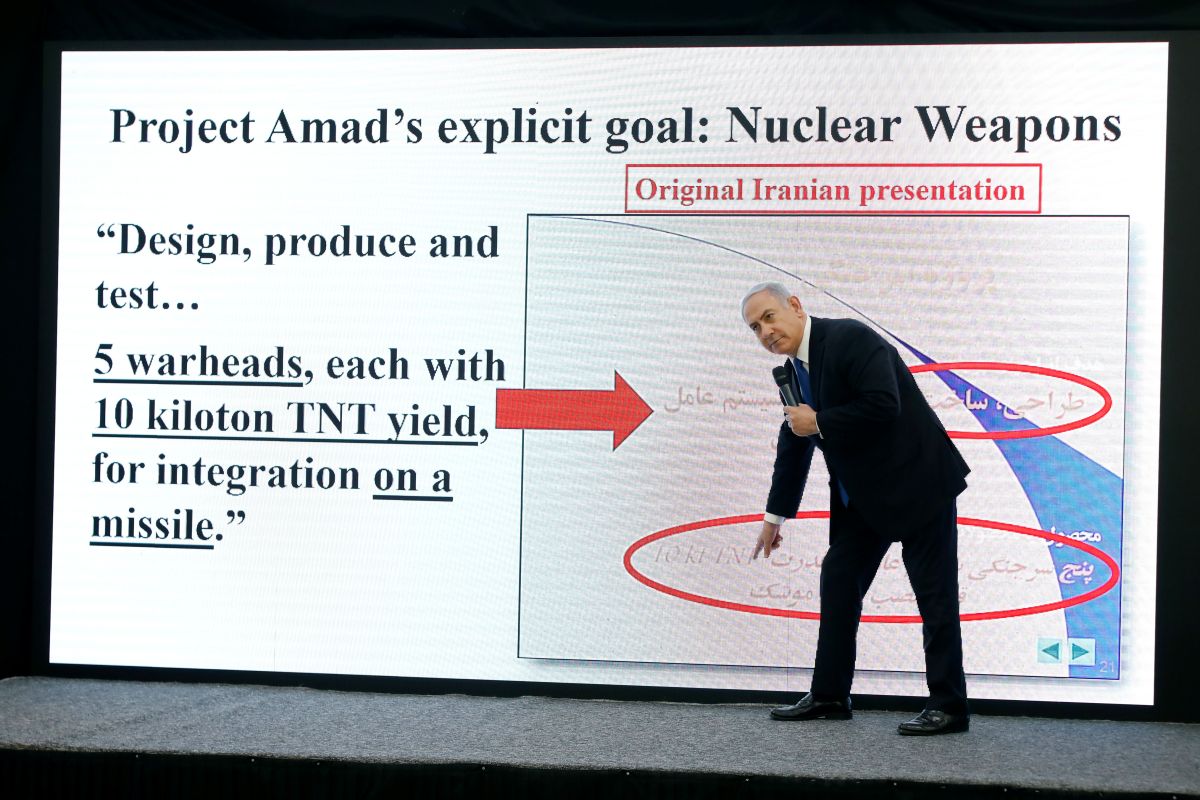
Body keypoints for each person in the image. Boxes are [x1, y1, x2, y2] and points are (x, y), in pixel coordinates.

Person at [741, 282, 971, 735]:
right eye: (755, 328)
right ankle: (830, 695)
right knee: (839, 579)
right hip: (864, 499)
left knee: (935, 595)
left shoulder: (849, 338)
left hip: (919, 483)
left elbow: (884, 403)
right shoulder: (793, 372)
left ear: (795, 306)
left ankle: (949, 706)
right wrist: (774, 517)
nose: (765, 332)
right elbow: (795, 440)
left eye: (769, 317)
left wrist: (819, 420)